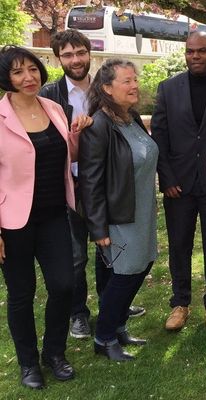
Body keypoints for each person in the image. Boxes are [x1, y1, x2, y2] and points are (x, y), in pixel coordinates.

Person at [40, 29, 145, 341]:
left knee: (108, 249)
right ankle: (78, 314)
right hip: (69, 185)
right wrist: (74, 135)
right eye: (68, 55)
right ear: (58, 58)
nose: (76, 60)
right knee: (76, 256)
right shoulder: (50, 95)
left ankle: (110, 305)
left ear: (89, 53)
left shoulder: (103, 90)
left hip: (105, 183)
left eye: (80, 53)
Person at [0, 46, 91, 389]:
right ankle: (28, 363)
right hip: (13, 223)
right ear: (6, 78)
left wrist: (77, 136)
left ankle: (55, 353)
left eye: (33, 69)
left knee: (64, 285)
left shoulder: (53, 108)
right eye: (18, 72)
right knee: (21, 294)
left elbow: (69, 156)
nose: (28, 77)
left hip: (54, 214)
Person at [152, 31, 206, 331]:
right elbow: (159, 136)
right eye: (190, 52)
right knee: (179, 244)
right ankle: (180, 302)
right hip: (179, 183)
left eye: (202, 51)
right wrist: (167, 177)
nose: (195, 56)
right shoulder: (168, 88)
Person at [79, 59, 158, 361]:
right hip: (118, 217)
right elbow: (90, 181)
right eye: (126, 81)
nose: (134, 85)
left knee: (143, 265)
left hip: (143, 211)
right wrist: (98, 228)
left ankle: (119, 325)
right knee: (125, 274)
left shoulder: (132, 118)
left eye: (134, 79)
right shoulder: (99, 125)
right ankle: (104, 337)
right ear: (107, 88)